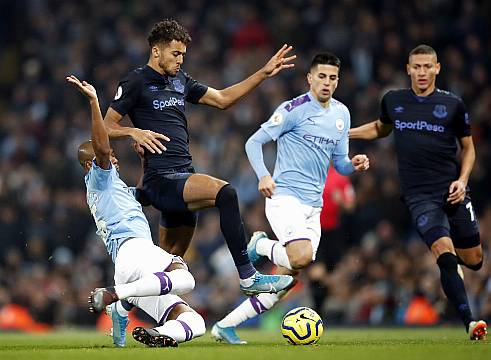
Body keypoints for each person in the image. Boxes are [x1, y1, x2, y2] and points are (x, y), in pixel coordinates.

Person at [103, 19, 296, 295]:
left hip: (182, 178)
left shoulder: (180, 81)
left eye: (183, 54)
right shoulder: (136, 81)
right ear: (156, 51)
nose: (181, 60)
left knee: (168, 267)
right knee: (226, 193)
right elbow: (106, 125)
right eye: (176, 54)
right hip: (162, 179)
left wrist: (262, 73)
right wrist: (134, 133)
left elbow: (222, 99)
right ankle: (248, 275)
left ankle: (121, 306)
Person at [211, 53, 369, 344]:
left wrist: (354, 164)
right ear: (310, 78)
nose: (327, 82)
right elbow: (253, 142)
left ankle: (225, 326)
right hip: (285, 198)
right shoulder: (293, 109)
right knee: (302, 256)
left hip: (314, 206)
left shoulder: (342, 114)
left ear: (338, 81)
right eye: (321, 76)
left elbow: (341, 163)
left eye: (332, 77)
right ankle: (261, 244)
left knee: (286, 281)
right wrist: (263, 175)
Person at [349, 44, 487, 340]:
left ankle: (456, 271)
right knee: (444, 255)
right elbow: (380, 127)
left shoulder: (453, 105)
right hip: (419, 196)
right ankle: (470, 322)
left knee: (474, 260)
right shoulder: (394, 100)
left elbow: (469, 148)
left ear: (437, 68)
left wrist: (462, 181)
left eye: (428, 67)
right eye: (417, 67)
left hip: (453, 191)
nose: (422, 72)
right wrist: (342, 132)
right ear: (408, 70)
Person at [67, 75, 206, 348]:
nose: (114, 159)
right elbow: (103, 149)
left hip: (132, 267)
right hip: (135, 251)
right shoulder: (98, 179)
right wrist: (95, 102)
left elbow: (140, 196)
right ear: (88, 165)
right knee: (185, 278)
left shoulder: (113, 192)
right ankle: (117, 296)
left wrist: (145, 161)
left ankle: (146, 326)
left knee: (196, 323)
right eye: (107, 158)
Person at [308, 167, 356, 314]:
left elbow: (351, 205)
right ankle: (318, 311)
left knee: (330, 275)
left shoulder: (341, 178)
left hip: (334, 233)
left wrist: (341, 200)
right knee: (317, 273)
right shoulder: (311, 173)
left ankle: (320, 311)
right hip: (314, 231)